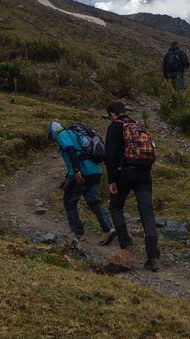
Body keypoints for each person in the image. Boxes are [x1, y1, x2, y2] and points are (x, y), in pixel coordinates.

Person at [103, 100, 160, 270]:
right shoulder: (137, 125)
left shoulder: (115, 127)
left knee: (115, 206)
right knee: (147, 212)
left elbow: (110, 155)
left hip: (125, 173)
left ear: (113, 114)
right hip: (144, 173)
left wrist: (111, 180)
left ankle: (126, 245)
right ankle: (153, 256)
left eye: (109, 116)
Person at [48, 121, 114, 244]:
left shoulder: (62, 134)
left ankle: (77, 232)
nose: (53, 140)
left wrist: (77, 171)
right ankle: (109, 228)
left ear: (53, 132)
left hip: (81, 172)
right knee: (93, 200)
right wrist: (67, 177)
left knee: (69, 201)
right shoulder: (74, 133)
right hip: (94, 171)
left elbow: (71, 150)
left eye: (51, 137)